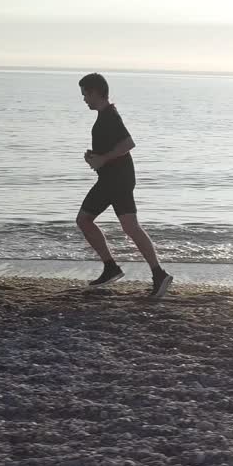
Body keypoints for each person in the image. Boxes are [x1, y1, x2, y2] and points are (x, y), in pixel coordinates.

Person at [76, 72, 173, 298]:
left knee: (84, 220)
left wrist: (103, 158)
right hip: (118, 178)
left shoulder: (109, 116)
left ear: (95, 92)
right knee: (131, 227)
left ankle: (112, 267)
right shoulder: (105, 116)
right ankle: (158, 274)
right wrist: (95, 157)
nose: (84, 99)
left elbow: (128, 143)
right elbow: (114, 149)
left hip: (115, 180)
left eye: (85, 94)